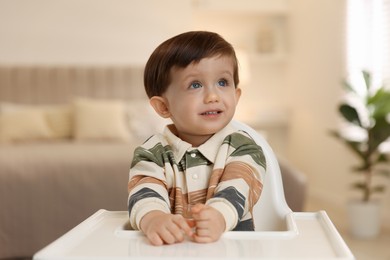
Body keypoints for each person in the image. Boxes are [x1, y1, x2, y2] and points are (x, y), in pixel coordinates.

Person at [127, 31, 266, 246]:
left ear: (236, 96)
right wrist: (153, 218)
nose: (213, 96)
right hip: (174, 251)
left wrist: (219, 216)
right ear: (164, 106)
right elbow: (145, 191)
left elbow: (240, 185)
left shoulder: (243, 147)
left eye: (222, 82)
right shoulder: (151, 153)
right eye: (195, 85)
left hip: (234, 249)